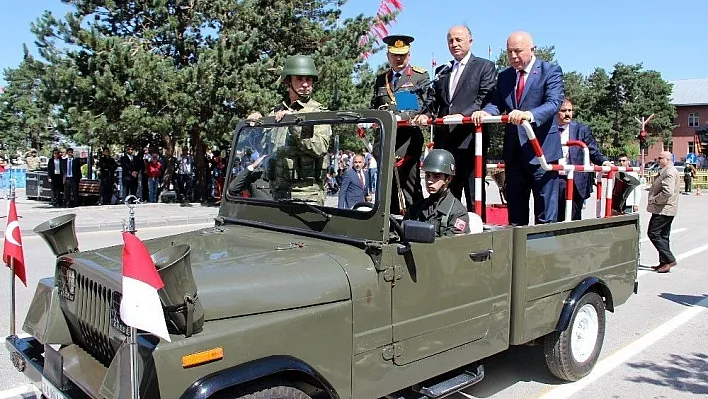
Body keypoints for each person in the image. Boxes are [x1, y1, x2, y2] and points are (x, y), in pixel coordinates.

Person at [472, 31, 564, 225]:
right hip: (514, 154)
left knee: (546, 216)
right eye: (509, 52)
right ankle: (517, 254)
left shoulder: (550, 71)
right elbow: (496, 102)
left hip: (542, 153)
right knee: (516, 214)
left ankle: (543, 253)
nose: (513, 56)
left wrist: (528, 115)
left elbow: (554, 103)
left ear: (532, 49)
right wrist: (486, 112)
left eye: (518, 51)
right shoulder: (505, 76)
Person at [414, 25, 496, 218]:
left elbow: (484, 99)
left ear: (470, 41)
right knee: (447, 194)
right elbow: (433, 100)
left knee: (474, 192)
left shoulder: (484, 67)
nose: (454, 44)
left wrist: (463, 116)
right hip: (446, 144)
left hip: (470, 142)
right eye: (450, 40)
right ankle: (447, 232)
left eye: (459, 39)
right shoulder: (443, 70)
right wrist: (425, 114)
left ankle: (478, 235)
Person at [248, 55, 332, 205]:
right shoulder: (275, 113)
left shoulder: (318, 112)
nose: (305, 84)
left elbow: (320, 147)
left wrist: (295, 124)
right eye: (299, 79)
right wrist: (255, 127)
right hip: (277, 193)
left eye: (309, 79)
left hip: (307, 196)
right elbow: (263, 148)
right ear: (288, 81)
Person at [371, 34, 428, 214]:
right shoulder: (381, 79)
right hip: (386, 142)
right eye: (395, 55)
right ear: (388, 56)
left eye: (402, 55)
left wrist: (396, 117)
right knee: (387, 191)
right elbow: (375, 106)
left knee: (409, 188)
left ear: (409, 55)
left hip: (407, 143)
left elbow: (417, 106)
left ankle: (415, 224)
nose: (398, 59)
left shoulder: (418, 77)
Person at [555, 98, 611, 221]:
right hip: (553, 179)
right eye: (564, 110)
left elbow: (593, 151)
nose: (568, 113)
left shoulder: (581, 129)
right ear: (555, 112)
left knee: (574, 217)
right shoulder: (548, 129)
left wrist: (604, 162)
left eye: (570, 110)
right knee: (553, 218)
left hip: (575, 181)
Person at [406, 149, 470, 236]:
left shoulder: (458, 212)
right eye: (427, 175)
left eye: (436, 176)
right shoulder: (416, 208)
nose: (429, 181)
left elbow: (451, 244)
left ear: (448, 179)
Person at [647, 151, 680, 273]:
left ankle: (669, 259)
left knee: (653, 233)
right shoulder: (667, 170)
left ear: (668, 159)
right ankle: (664, 262)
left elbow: (667, 192)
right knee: (663, 236)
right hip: (666, 208)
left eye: (660, 158)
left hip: (663, 209)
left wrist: (654, 199)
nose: (658, 160)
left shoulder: (669, 172)